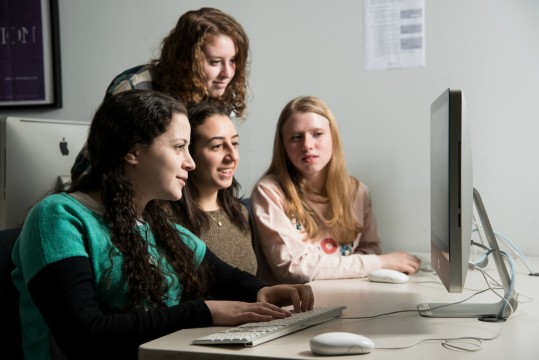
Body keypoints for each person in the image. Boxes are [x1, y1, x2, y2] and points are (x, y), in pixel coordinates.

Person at [11, 90, 314, 360]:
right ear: (132, 151)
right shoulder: (58, 217)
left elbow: (226, 278)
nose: (190, 162)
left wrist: (265, 291)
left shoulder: (154, 223)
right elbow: (85, 336)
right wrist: (204, 312)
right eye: (179, 147)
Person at [251, 96, 420, 284]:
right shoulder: (269, 192)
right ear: (283, 146)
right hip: (296, 307)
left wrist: (358, 265)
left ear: (333, 137)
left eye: (317, 134)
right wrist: (380, 263)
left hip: (347, 292)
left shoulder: (358, 192)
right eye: (296, 137)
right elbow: (294, 268)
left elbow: (369, 246)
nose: (307, 145)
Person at [71, 7, 250, 180]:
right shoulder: (136, 86)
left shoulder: (219, 98)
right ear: (186, 60)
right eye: (215, 62)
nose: (228, 73)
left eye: (233, 60)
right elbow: (105, 165)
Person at [171, 102, 257, 274]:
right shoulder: (168, 220)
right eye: (217, 146)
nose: (232, 156)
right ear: (190, 153)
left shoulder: (240, 212)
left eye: (235, 143)